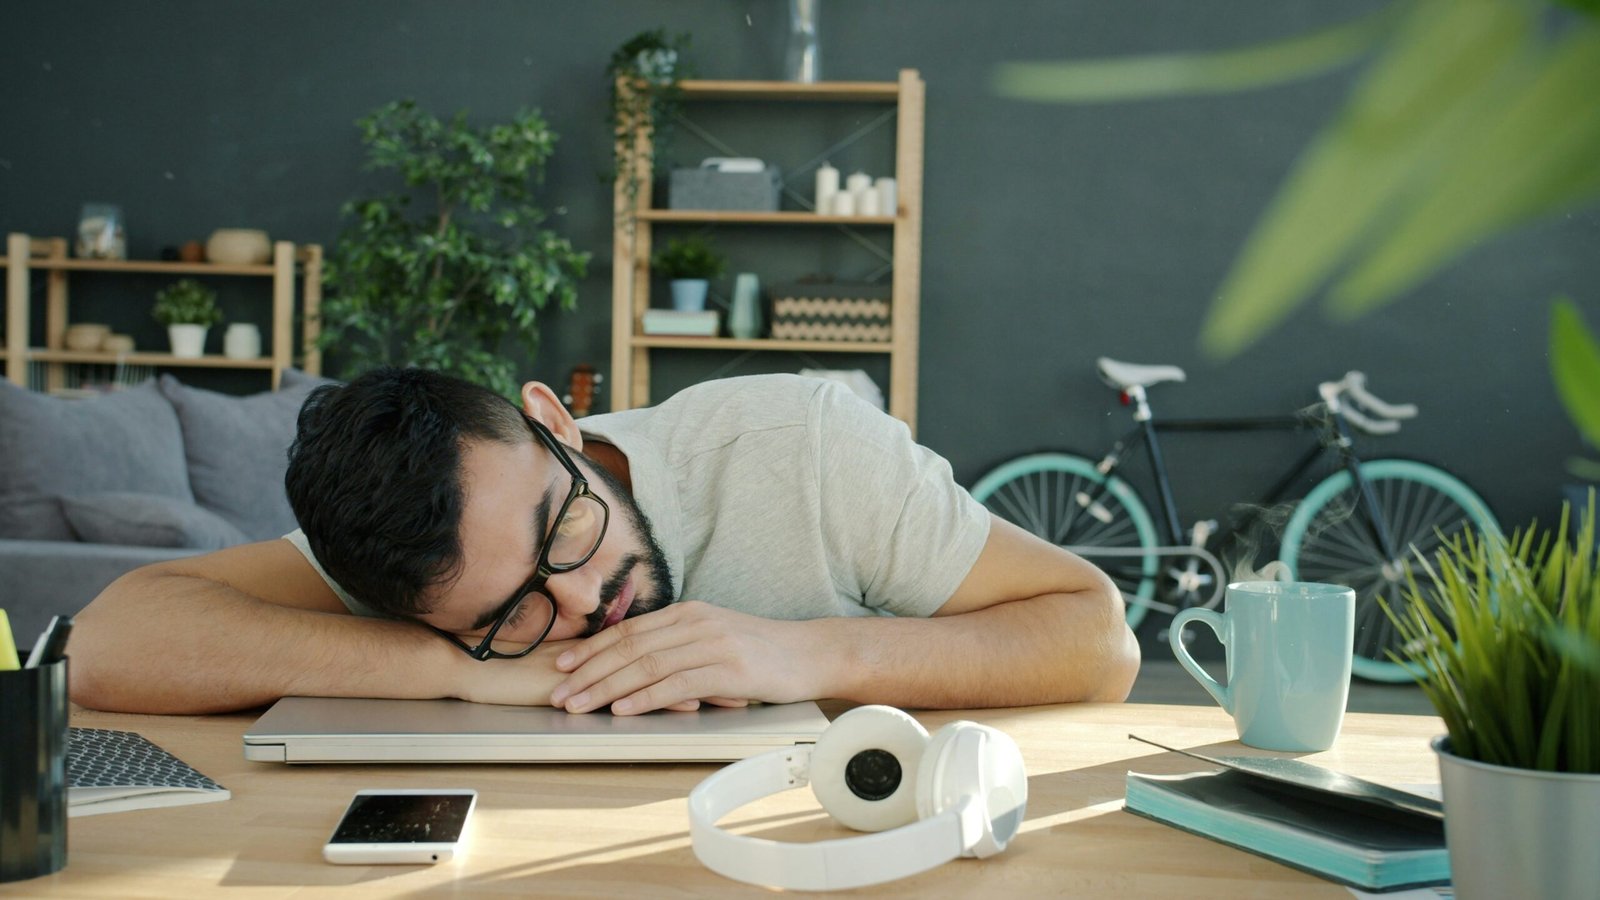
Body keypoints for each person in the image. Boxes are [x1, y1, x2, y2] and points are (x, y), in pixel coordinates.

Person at [71, 368, 1139, 715]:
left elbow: (1098, 638)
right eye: (507, 617)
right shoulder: (415, 556)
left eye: (562, 528)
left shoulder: (803, 445)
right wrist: (457, 672)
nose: (581, 608)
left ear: (555, 423)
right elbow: (109, 638)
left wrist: (816, 652)